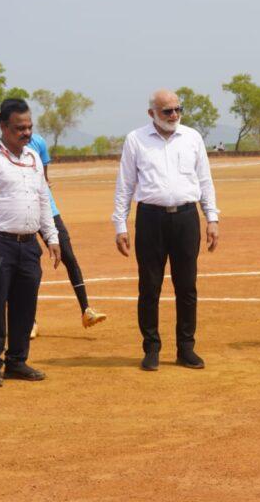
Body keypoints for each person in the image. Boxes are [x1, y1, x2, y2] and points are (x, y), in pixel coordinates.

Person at [112, 90, 219, 371]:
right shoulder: (136, 140)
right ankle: (151, 348)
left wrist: (212, 218)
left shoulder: (192, 138)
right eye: (167, 111)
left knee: (187, 286)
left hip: (186, 218)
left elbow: (205, 181)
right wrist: (120, 225)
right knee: (149, 287)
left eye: (177, 109)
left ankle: (186, 348)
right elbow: (125, 185)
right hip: (150, 219)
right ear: (152, 113)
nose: (174, 115)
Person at [0, 98, 61, 388]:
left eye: (29, 127)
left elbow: (43, 200)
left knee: (25, 305)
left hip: (29, 244)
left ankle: (17, 361)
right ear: (4, 127)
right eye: (20, 128)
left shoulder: (33, 158)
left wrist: (52, 237)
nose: (26, 132)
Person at [27, 131, 106, 336]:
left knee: (69, 257)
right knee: (28, 267)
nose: (25, 131)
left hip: (49, 210)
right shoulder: (0, 149)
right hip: (22, 214)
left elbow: (44, 177)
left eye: (28, 126)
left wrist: (45, 184)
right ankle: (29, 321)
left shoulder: (38, 142)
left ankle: (86, 310)